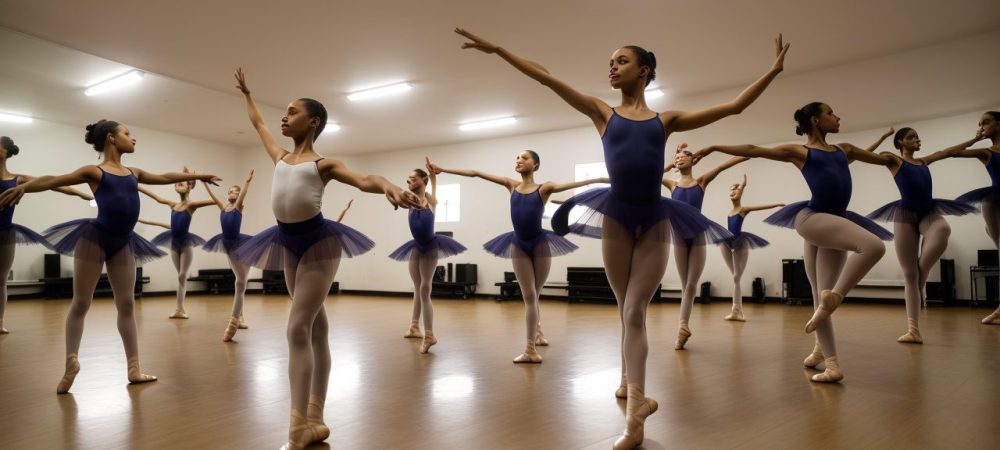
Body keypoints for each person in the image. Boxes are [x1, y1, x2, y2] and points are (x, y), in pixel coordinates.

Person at [454, 27, 788, 448]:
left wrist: (773, 71)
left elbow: (735, 106)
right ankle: (629, 378)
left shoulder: (666, 121)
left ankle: (635, 417)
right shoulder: (601, 113)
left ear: (644, 71)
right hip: (615, 218)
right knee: (624, 309)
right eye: (610, 62)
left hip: (654, 220)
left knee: (634, 310)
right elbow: (546, 77)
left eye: (621, 61)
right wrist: (499, 48)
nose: (612, 67)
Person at [232, 68, 418, 449]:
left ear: (313, 121)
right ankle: (316, 419)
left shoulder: (324, 165)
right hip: (286, 242)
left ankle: (299, 424)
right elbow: (259, 124)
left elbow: (367, 179)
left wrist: (391, 187)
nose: (284, 117)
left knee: (296, 328)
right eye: (284, 112)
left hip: (319, 245)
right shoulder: (280, 156)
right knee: (316, 328)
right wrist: (248, 93)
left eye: (292, 111)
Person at [0, 120, 219, 393]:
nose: (134, 139)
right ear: (112, 139)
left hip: (123, 243)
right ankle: (71, 362)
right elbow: (55, 180)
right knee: (81, 303)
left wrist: (199, 177)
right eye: (128, 134)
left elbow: (164, 177)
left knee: (126, 305)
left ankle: (134, 368)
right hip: (95, 238)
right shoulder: (94, 171)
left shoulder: (133, 173)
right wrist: (24, 187)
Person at [692, 102, 896, 383]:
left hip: (834, 222)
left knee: (818, 293)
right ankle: (835, 298)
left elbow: (882, 159)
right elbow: (754, 149)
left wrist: (906, 157)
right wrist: (716, 147)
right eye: (830, 113)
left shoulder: (844, 150)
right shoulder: (801, 152)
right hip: (812, 219)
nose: (837, 116)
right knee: (874, 247)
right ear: (815, 121)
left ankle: (830, 362)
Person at [428, 152, 606, 362]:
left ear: (535, 164)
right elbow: (475, 173)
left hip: (540, 245)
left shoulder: (544, 188)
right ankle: (530, 349)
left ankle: (537, 330)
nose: (519, 160)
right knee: (529, 296)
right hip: (519, 245)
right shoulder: (510, 185)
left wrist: (603, 179)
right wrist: (443, 169)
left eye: (524, 158)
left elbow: (577, 184)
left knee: (535, 295)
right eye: (517, 158)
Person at [866, 127, 979, 341]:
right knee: (910, 275)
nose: (917, 139)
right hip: (905, 216)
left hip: (928, 211)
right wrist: (881, 138)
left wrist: (975, 138)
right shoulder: (894, 161)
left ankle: (923, 273)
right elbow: (864, 155)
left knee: (943, 230)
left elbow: (947, 151)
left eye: (917, 136)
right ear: (900, 143)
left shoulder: (924, 161)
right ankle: (913, 330)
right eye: (911, 137)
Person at [0, 136, 92, 334]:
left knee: (1, 279)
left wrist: (81, 194)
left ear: (4, 152)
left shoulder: (18, 179)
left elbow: (53, 183)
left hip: (5, 233)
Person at [661, 143, 747, 348]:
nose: (680, 158)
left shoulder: (701, 181)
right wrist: (670, 162)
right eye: (678, 157)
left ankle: (682, 326)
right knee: (685, 286)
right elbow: (650, 174)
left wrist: (749, 154)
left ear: (694, 160)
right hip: (679, 236)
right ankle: (683, 327)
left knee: (692, 284)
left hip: (698, 234)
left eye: (685, 156)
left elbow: (725, 165)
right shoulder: (672, 185)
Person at [388, 161, 467, 353]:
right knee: (417, 288)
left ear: (422, 180)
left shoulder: (431, 201)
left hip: (430, 246)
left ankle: (429, 334)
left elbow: (433, 183)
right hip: (415, 246)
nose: (409, 181)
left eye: (413, 178)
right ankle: (414, 326)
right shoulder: (408, 200)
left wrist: (432, 173)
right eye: (408, 179)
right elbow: (393, 194)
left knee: (425, 288)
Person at [718, 174, 784, 321]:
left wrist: (776, 205)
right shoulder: (730, 212)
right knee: (735, 277)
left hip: (741, 242)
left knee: (736, 277)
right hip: (728, 241)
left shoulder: (743, 209)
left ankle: (738, 311)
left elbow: (760, 207)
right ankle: (735, 311)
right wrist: (741, 185)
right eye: (730, 191)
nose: (732, 193)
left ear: (740, 193)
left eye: (735, 190)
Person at [202, 169, 256, 341]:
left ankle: (236, 320)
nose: (232, 193)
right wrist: (204, 182)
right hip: (229, 245)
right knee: (240, 282)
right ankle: (238, 319)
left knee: (241, 282)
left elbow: (244, 194)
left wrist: (247, 182)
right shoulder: (223, 207)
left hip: (243, 245)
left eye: (235, 191)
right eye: (230, 191)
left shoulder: (238, 207)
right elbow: (213, 196)